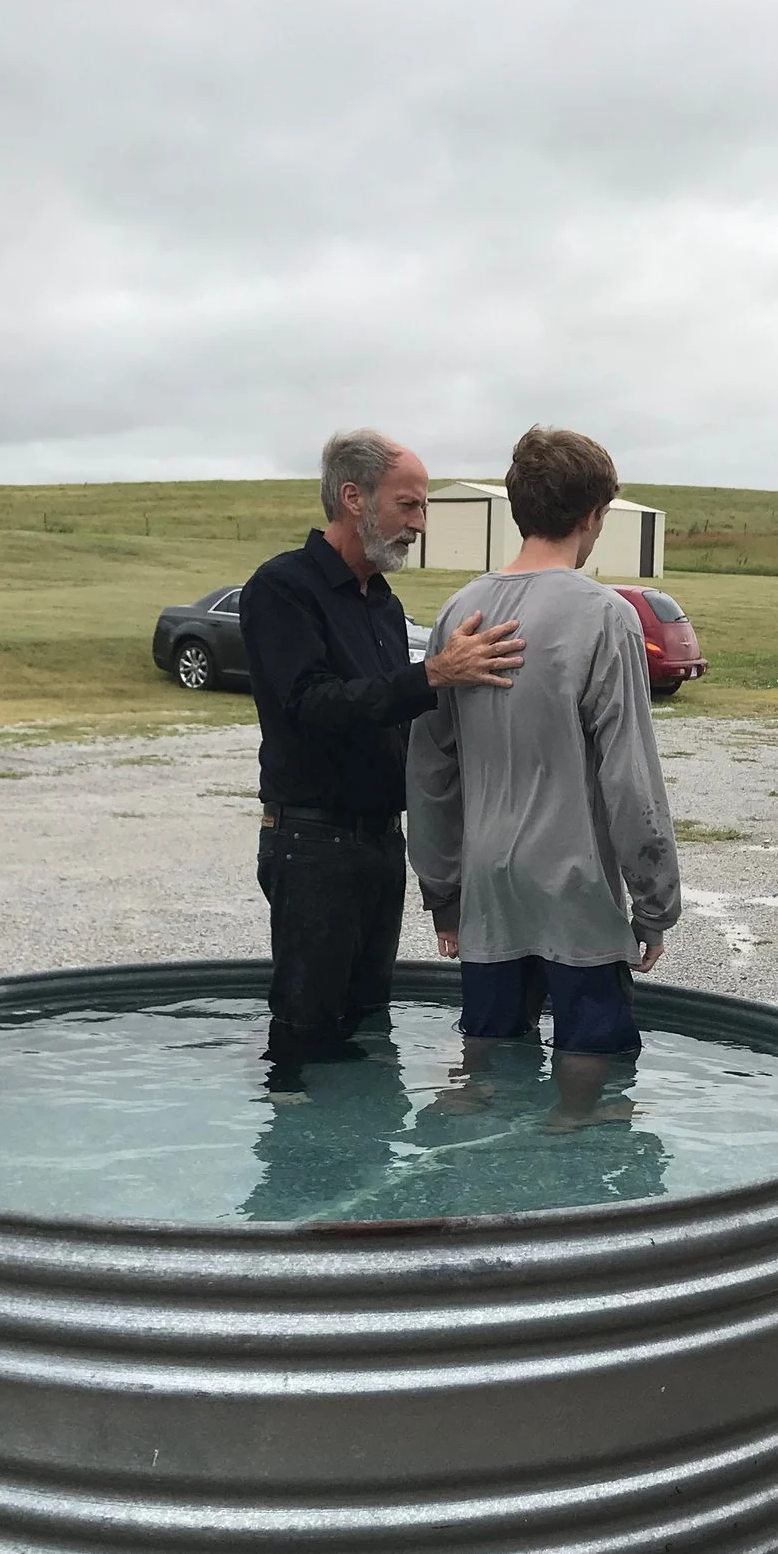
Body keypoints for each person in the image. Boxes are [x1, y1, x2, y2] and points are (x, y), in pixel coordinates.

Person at [406, 426, 681, 1130]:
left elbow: (431, 768)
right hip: (574, 885)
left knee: (487, 1068)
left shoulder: (456, 611)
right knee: (593, 1079)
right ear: (592, 515)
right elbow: (629, 776)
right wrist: (655, 901)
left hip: (487, 884)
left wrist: (442, 889)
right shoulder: (604, 617)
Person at [238, 428, 525, 1079]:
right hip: (311, 845)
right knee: (308, 1031)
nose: (419, 524)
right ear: (353, 498)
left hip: (378, 846)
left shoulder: (384, 604)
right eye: (409, 505)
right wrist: (430, 676)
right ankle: (297, 1158)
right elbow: (313, 705)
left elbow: (395, 722)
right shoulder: (283, 589)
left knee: (368, 1022)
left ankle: (363, 1166)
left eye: (422, 508)